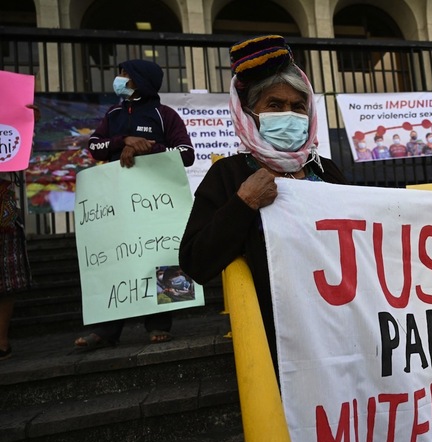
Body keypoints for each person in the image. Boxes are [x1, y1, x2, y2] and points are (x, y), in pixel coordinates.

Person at [178, 34, 347, 369]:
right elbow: (195, 263)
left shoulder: (326, 171)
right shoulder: (229, 175)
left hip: (339, 331)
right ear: (249, 113)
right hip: (275, 341)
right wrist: (244, 202)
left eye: (298, 106)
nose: (289, 114)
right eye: (274, 105)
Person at [74, 59, 195, 349]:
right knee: (113, 259)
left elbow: (186, 153)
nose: (119, 79)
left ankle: (159, 324)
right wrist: (123, 141)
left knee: (159, 254)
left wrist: (150, 147)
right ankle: (105, 331)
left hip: (156, 202)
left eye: (125, 74)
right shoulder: (113, 113)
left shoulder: (165, 115)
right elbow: (94, 147)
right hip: (116, 203)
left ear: (141, 80)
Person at [0, 104, 39, 360]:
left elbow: (22, 153)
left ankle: (1, 341)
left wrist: (28, 124)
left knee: (7, 277)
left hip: (3, 206)